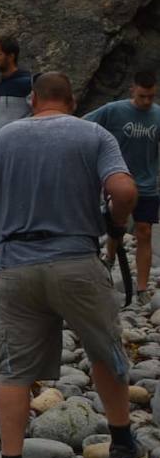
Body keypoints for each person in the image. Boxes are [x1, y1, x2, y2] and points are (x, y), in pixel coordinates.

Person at [0, 71, 139, 458]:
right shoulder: (94, 134)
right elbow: (123, 190)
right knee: (104, 350)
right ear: (72, 100)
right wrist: (116, 226)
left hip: (16, 267)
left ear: (32, 99)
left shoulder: (5, 138)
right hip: (76, 262)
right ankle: (121, 441)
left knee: (15, 371)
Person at [85, 69, 160, 299]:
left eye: (151, 97)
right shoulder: (113, 110)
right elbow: (83, 125)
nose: (146, 102)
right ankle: (109, 258)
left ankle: (142, 288)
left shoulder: (157, 115)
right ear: (132, 90)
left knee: (144, 231)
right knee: (116, 227)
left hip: (147, 184)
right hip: (118, 180)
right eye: (142, 96)